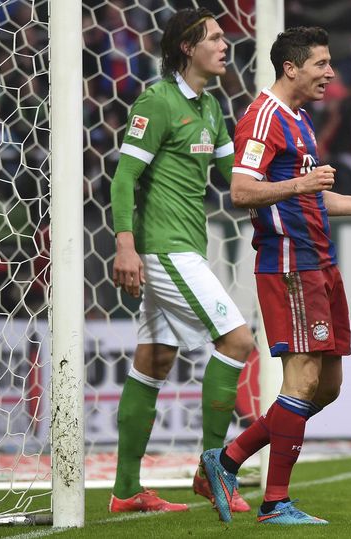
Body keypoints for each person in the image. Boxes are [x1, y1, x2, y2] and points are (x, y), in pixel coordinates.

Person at [201, 26, 351, 525]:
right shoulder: (262, 118)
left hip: (321, 261)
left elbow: (314, 196)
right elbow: (242, 191)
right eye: (321, 64)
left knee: (328, 386)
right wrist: (302, 182)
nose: (331, 73)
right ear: (291, 67)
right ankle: (275, 503)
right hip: (289, 263)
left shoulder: (300, 120)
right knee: (304, 378)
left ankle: (226, 459)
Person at [108, 8, 255, 513]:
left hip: (185, 246)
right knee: (237, 341)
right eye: (214, 37)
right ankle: (212, 470)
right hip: (164, 247)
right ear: (187, 48)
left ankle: (126, 491)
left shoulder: (211, 107)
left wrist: (292, 183)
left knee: (154, 361)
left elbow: (237, 183)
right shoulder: (158, 101)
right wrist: (125, 244)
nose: (224, 44)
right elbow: (124, 177)